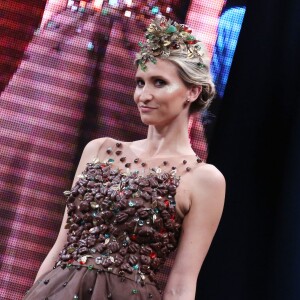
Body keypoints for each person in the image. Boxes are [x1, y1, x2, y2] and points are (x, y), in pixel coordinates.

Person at [24, 15, 225, 300]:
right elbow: (60, 246)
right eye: (140, 82)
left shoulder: (204, 179)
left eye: (159, 82)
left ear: (192, 91)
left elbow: (181, 283)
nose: (144, 94)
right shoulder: (98, 150)